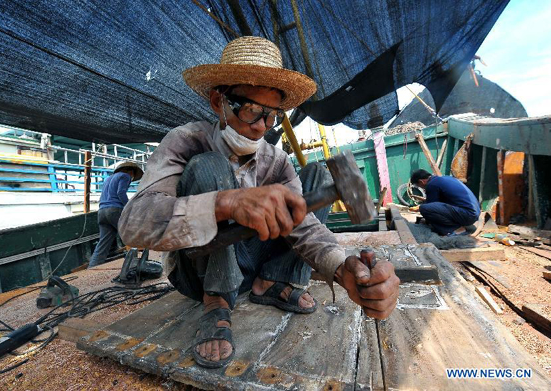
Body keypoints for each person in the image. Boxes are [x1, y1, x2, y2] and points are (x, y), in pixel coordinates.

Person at [119, 36, 399, 368]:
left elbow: (305, 227)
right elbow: (132, 224)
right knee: (209, 167)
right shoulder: (186, 141)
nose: (260, 128)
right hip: (197, 269)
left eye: (273, 117)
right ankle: (217, 302)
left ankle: (272, 280)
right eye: (252, 111)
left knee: (318, 179)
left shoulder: (276, 161)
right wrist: (226, 202)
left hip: (251, 261)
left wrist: (342, 267)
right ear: (218, 101)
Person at [88, 161, 143, 268]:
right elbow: (120, 192)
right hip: (115, 210)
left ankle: (92, 266)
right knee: (130, 235)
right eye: (133, 175)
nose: (131, 178)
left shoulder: (108, 178)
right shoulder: (125, 176)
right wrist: (128, 207)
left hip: (102, 212)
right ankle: (135, 265)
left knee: (103, 243)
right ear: (131, 171)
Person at [410, 169, 480, 236]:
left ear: (421, 182)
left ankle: (456, 230)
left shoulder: (432, 185)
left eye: (418, 185)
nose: (421, 188)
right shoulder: (446, 178)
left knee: (424, 209)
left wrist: (424, 216)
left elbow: (431, 206)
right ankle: (459, 226)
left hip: (467, 215)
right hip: (474, 214)